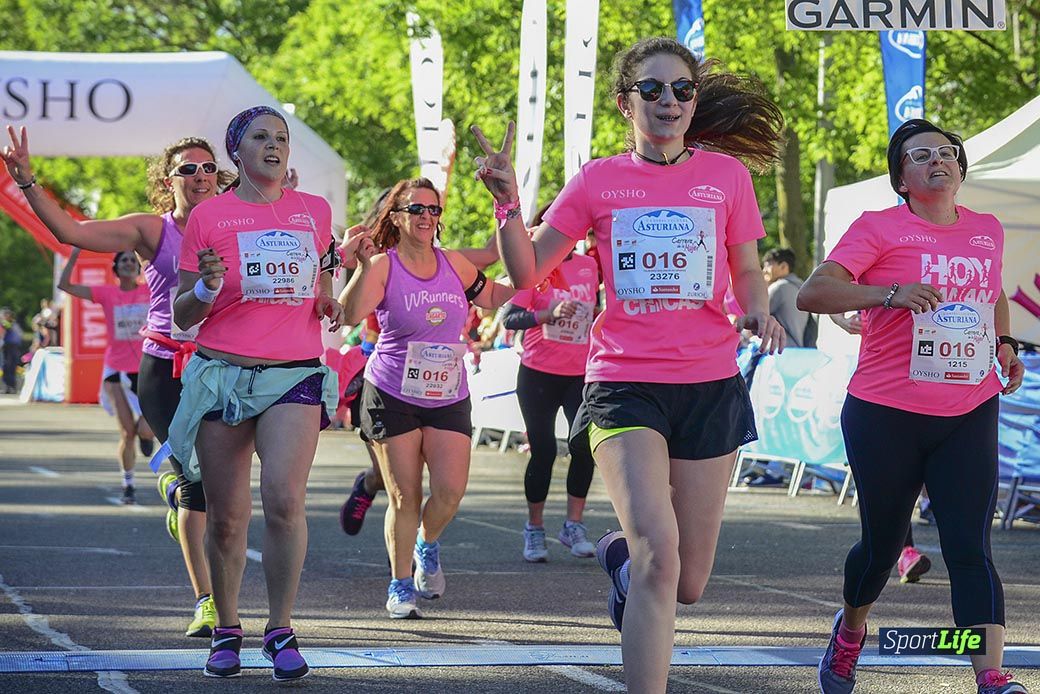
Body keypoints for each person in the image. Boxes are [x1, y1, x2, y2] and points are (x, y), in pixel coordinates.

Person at [472, 36, 785, 692]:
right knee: (658, 562)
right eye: (653, 89)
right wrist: (507, 204)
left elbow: (749, 270)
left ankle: (614, 555)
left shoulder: (728, 178)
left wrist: (758, 309)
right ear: (625, 102)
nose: (669, 101)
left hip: (709, 383)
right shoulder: (598, 181)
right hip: (624, 382)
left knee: (688, 582)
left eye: (682, 90)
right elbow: (527, 270)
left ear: (694, 103)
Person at [797, 118, 1028, 694]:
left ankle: (991, 675)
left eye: (947, 152)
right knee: (882, 546)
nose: (938, 161)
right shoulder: (877, 228)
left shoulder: (986, 230)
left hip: (969, 407)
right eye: (921, 155)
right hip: (885, 412)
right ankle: (851, 631)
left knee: (970, 544)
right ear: (901, 176)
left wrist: (1004, 345)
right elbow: (814, 292)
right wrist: (887, 294)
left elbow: (992, 293)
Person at [2, 125, 228, 638]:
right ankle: (207, 602)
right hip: (164, 365)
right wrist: (29, 182)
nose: (199, 176)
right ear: (167, 182)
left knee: (222, 487)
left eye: (208, 168)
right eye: (187, 169)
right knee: (199, 489)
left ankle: (168, 478)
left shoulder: (236, 222)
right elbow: (72, 233)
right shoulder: (151, 230)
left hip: (222, 366)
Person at [168, 106, 343, 681]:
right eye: (261, 138)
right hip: (223, 372)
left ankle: (281, 629)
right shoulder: (209, 216)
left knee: (285, 500)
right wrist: (208, 285)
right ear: (235, 153)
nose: (274, 146)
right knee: (225, 517)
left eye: (282, 138)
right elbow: (184, 313)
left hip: (293, 372)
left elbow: (323, 274)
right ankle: (226, 629)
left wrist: (327, 299)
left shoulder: (313, 211)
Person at [339, 176, 514, 620]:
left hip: (446, 391)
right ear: (396, 218)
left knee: (451, 490)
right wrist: (360, 267)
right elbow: (348, 315)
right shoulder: (383, 265)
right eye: (417, 209)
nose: (426, 217)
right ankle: (399, 585)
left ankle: (426, 544)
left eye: (433, 210)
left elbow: (492, 295)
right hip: (392, 392)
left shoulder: (452, 263)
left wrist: (534, 273)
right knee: (405, 496)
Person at [501, 203, 599, 562]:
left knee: (584, 447)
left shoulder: (589, 266)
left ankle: (573, 525)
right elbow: (509, 317)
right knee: (542, 450)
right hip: (539, 373)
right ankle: (534, 528)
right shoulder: (533, 266)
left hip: (579, 374)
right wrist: (548, 314)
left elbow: (596, 309)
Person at [57, 249, 155, 502]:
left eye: (133, 260)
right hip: (116, 370)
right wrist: (75, 252)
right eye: (124, 260)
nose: (129, 263)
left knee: (145, 430)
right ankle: (128, 483)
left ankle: (147, 437)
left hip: (147, 369)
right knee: (127, 433)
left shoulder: (150, 290)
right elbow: (64, 284)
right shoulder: (106, 293)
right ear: (116, 268)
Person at [762, 247, 814, 348]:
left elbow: (759, 313)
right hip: (796, 349)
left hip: (778, 349)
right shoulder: (799, 287)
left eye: (768, 265)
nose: (764, 271)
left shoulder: (780, 287)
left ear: (783, 267)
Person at [0, 307, 23, 394]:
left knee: (11, 366)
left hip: (12, 347)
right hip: (8, 346)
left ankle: (11, 386)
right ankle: (9, 386)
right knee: (7, 366)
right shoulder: (9, 324)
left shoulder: (9, 324)